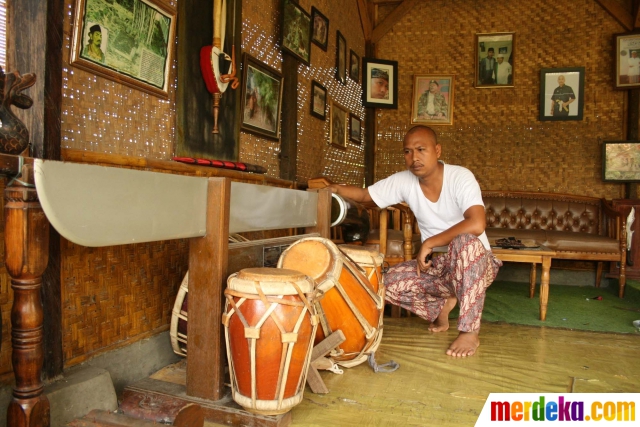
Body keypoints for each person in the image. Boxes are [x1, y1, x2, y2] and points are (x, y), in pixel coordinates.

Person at [323, 125, 502, 357]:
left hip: (477, 265)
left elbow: (477, 223)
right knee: (384, 283)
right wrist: (335, 188)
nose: (414, 157)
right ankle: (441, 306)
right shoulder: (404, 181)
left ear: (437, 150)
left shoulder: (460, 177)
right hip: (438, 268)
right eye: (407, 151)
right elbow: (367, 196)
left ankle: (469, 331)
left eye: (420, 149)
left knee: (465, 242)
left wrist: (429, 243)